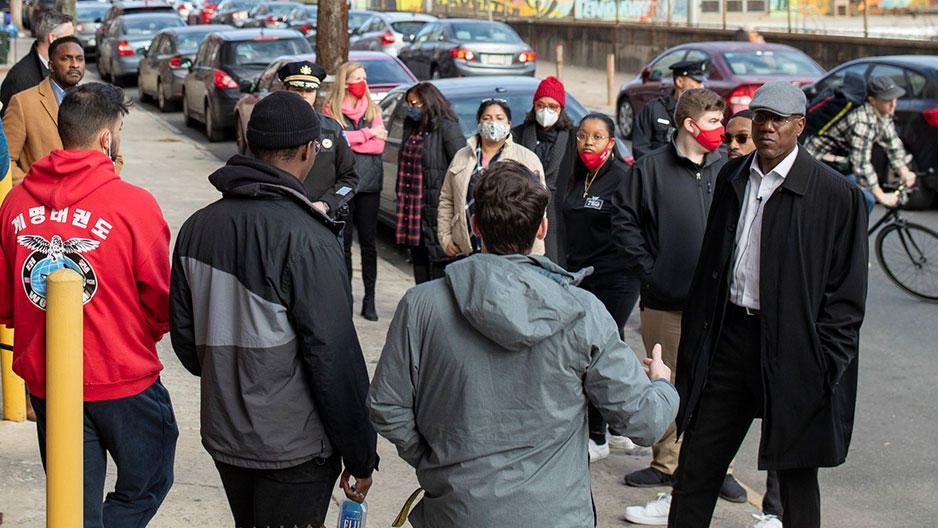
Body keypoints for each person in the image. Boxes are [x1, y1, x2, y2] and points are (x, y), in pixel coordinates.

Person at [368, 159, 679, 527]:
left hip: (455, 512)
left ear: (475, 225)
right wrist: (661, 384)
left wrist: (436, 461)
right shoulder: (583, 311)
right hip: (555, 514)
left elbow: (388, 406)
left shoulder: (422, 305)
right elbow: (644, 422)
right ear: (542, 228)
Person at [170, 91, 378, 528]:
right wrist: (361, 454)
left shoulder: (195, 229)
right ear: (308, 151)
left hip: (226, 437)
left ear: (248, 142)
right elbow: (333, 361)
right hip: (294, 449)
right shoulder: (309, 238)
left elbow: (188, 346)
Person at [668, 81, 868, 528]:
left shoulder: (836, 196)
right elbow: (711, 266)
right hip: (729, 340)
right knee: (697, 467)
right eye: (760, 117)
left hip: (795, 350)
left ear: (800, 125)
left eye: (778, 119)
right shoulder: (732, 177)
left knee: (795, 480)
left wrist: (824, 363)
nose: (767, 127)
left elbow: (847, 299)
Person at [0, 82, 177, 527]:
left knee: (71, 506)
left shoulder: (15, 203)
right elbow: (159, 302)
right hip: (123, 376)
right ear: (106, 138)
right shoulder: (134, 205)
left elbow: (6, 305)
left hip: (48, 381)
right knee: (149, 479)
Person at [612, 89, 730, 517]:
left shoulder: (727, 170)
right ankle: (666, 464)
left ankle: (719, 466)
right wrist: (652, 272)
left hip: (718, 304)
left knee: (717, 385)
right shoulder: (649, 170)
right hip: (665, 301)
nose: (721, 131)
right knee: (668, 381)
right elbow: (624, 225)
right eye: (715, 123)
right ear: (689, 125)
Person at [563, 112, 642, 462]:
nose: (588, 143)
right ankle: (619, 426)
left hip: (617, 277)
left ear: (611, 142)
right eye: (582, 136)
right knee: (612, 352)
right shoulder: (576, 174)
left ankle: (597, 435)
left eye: (596, 137)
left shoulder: (623, 177)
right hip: (583, 276)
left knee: (596, 351)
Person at [722, 108, 784, 528]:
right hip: (729, 324)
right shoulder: (728, 182)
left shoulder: (794, 191)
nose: (735, 146)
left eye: (741, 139)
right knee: (714, 419)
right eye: (731, 138)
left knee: (780, 425)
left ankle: (776, 511)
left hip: (776, 331)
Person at [438, 98, 545, 258]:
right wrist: (445, 237)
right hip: (466, 248)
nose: (493, 123)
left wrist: (534, 252)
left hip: (512, 251)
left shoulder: (527, 158)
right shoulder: (462, 156)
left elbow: (538, 207)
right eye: (487, 118)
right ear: (479, 123)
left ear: (508, 124)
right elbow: (447, 199)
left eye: (499, 118)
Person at [322, 61, 387, 321]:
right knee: (345, 243)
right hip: (344, 184)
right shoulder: (332, 107)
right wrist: (368, 133)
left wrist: (356, 137)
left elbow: (378, 147)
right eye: (356, 78)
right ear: (344, 81)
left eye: (364, 77)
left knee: (369, 243)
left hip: (370, 184)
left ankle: (369, 299)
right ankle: (345, 297)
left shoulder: (373, 108)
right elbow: (338, 142)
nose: (362, 83)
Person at [4, 37, 114, 187]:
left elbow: (114, 155)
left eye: (79, 59)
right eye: (66, 59)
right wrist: (30, 187)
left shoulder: (96, 101)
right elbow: (4, 158)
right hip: (42, 201)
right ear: (51, 65)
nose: (74, 65)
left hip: (88, 197)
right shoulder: (23, 103)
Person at [804, 75, 916, 212]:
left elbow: (892, 142)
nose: (893, 104)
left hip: (840, 162)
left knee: (858, 200)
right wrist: (880, 194)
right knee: (866, 199)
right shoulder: (861, 121)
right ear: (872, 100)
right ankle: (842, 232)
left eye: (895, 98)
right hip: (819, 162)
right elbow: (861, 163)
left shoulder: (882, 113)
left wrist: (904, 171)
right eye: (887, 100)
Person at [395, 82, 466, 284]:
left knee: (439, 269)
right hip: (412, 209)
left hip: (436, 209)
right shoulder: (411, 127)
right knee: (419, 265)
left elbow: (460, 169)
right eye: (408, 104)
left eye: (414, 103)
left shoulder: (447, 128)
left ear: (428, 101)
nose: (410, 108)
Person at [276, 60, 359, 218]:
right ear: (285, 89)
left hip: (322, 217)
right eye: (298, 89)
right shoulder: (272, 126)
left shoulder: (331, 129)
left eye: (310, 90)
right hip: (281, 215)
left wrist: (326, 204)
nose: (304, 95)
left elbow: (350, 178)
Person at [512, 76, 578, 266]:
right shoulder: (518, 135)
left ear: (561, 109)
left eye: (552, 106)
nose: (545, 111)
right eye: (540, 105)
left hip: (561, 220)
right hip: (524, 215)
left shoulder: (574, 137)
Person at [0, 10, 73, 117]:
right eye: (70, 36)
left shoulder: (65, 71)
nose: (74, 43)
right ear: (53, 38)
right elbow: (9, 129)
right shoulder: (19, 80)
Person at [631, 59, 707, 161]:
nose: (701, 87)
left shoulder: (703, 113)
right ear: (679, 82)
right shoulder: (653, 109)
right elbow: (640, 148)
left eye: (701, 82)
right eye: (697, 82)